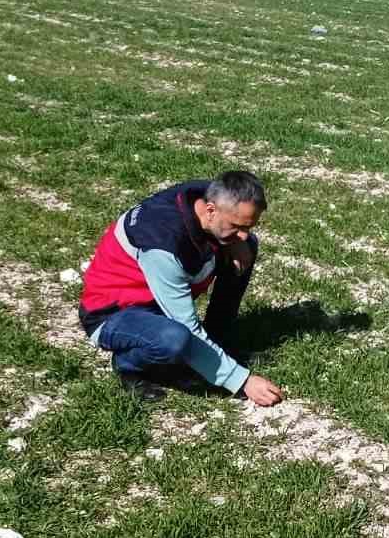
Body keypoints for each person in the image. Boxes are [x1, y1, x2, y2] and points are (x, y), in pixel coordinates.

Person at [78, 170, 285, 407]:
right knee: (174, 339)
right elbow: (187, 326)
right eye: (237, 226)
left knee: (247, 247)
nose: (243, 234)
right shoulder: (161, 243)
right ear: (210, 211)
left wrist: (237, 241)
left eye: (248, 226)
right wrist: (242, 381)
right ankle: (128, 364)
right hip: (114, 313)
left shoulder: (207, 197)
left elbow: (238, 235)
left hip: (157, 299)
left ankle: (220, 338)